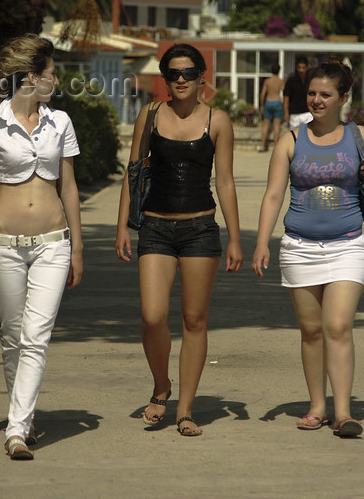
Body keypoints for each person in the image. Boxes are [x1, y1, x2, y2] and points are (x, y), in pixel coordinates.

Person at [251, 60, 364, 438]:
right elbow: (274, 194)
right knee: (311, 331)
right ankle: (317, 407)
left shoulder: (359, 135)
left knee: (338, 325)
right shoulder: (291, 140)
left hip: (347, 246)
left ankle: (343, 413)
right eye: (312, 93)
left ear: (343, 98)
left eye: (326, 94)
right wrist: (262, 241)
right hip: (298, 248)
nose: (316, 100)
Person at [0, 35, 83, 460]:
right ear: (33, 77)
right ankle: (25, 416)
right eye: (52, 73)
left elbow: (69, 187)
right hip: (2, 246)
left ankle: (16, 430)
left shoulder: (61, 123)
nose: (56, 80)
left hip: (54, 242)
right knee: (13, 335)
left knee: (36, 335)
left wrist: (79, 246)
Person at [115, 43, 243, 437]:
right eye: (173, 74)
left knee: (194, 319)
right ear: (165, 79)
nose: (181, 80)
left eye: (188, 72)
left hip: (200, 228)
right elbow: (134, 172)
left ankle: (185, 410)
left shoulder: (218, 120)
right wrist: (123, 225)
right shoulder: (150, 114)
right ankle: (161, 386)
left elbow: (224, 180)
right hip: (155, 226)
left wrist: (236, 238)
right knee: (153, 316)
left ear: (202, 76)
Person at [258, 63, 285, 152]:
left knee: (266, 125)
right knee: (276, 126)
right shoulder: (281, 81)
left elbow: (262, 94)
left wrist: (261, 106)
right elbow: (284, 92)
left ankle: (262, 146)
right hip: (277, 101)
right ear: (279, 71)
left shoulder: (267, 81)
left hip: (268, 101)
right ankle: (276, 147)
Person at [283, 56, 312, 130]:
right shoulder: (291, 81)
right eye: (299, 67)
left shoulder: (311, 81)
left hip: (308, 113)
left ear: (307, 67)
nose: (301, 70)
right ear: (296, 67)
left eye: (303, 67)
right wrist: (285, 113)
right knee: (294, 137)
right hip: (294, 114)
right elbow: (286, 97)